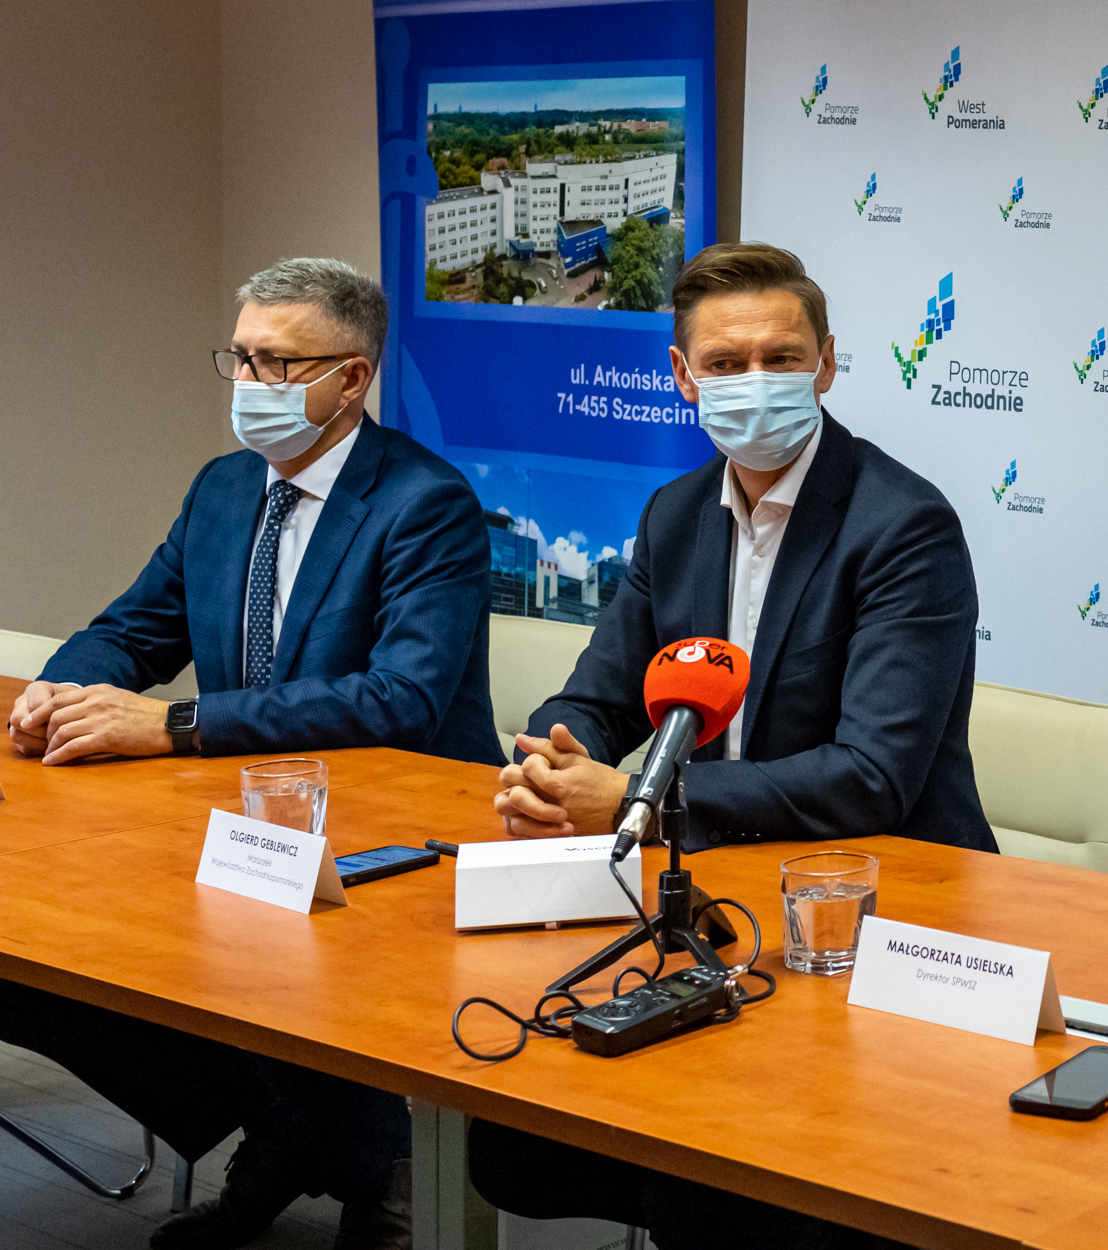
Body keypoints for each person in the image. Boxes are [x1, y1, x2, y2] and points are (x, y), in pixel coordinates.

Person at [470, 241, 989, 1250]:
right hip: (714, 894)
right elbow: (600, 694)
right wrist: (554, 758)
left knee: (718, 1192)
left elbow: (872, 778)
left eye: (781, 358)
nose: (755, 382)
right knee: (518, 1138)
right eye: (725, 362)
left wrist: (638, 803)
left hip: (873, 908)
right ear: (681, 375)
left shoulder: (903, 524)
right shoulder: (675, 514)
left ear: (826, 364)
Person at [4, 255, 501, 1249]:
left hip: (406, 830)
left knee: (259, 945)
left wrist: (174, 725)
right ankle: (292, 1127)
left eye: (276, 363)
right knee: (49, 958)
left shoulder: (426, 501)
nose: (247, 382)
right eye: (238, 356)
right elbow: (135, 629)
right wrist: (60, 690)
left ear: (351, 378)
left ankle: (374, 1161)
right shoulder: (226, 487)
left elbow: (400, 697)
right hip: (253, 811)